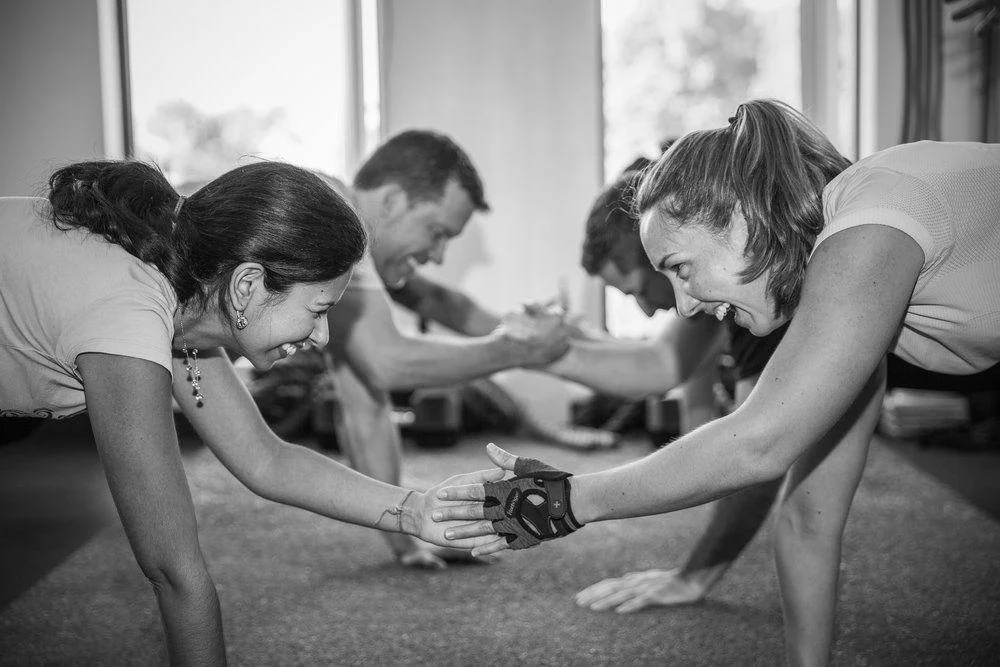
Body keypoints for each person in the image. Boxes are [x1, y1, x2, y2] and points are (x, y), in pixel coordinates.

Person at [435, 100, 1000, 664]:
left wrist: (568, 501)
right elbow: (808, 519)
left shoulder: (872, 226)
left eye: (680, 268)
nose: (682, 306)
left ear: (741, 216)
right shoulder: (842, 290)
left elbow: (758, 443)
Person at [0, 160, 498, 664]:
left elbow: (265, 460)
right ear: (247, 286)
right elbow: (174, 571)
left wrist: (414, 510)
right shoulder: (128, 317)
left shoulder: (187, 293)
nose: (322, 337)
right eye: (319, 310)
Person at [313, 130, 609, 569]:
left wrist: (408, 541)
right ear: (392, 200)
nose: (437, 255)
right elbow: (387, 363)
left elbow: (366, 408)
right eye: (436, 233)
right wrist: (518, 350)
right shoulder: (331, 210)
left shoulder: (334, 251)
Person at [552, 158, 786, 612]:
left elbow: (755, 452)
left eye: (638, 289)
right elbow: (661, 367)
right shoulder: (713, 270)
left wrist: (693, 577)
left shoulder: (757, 283)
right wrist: (541, 353)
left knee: (806, 508)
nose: (645, 311)